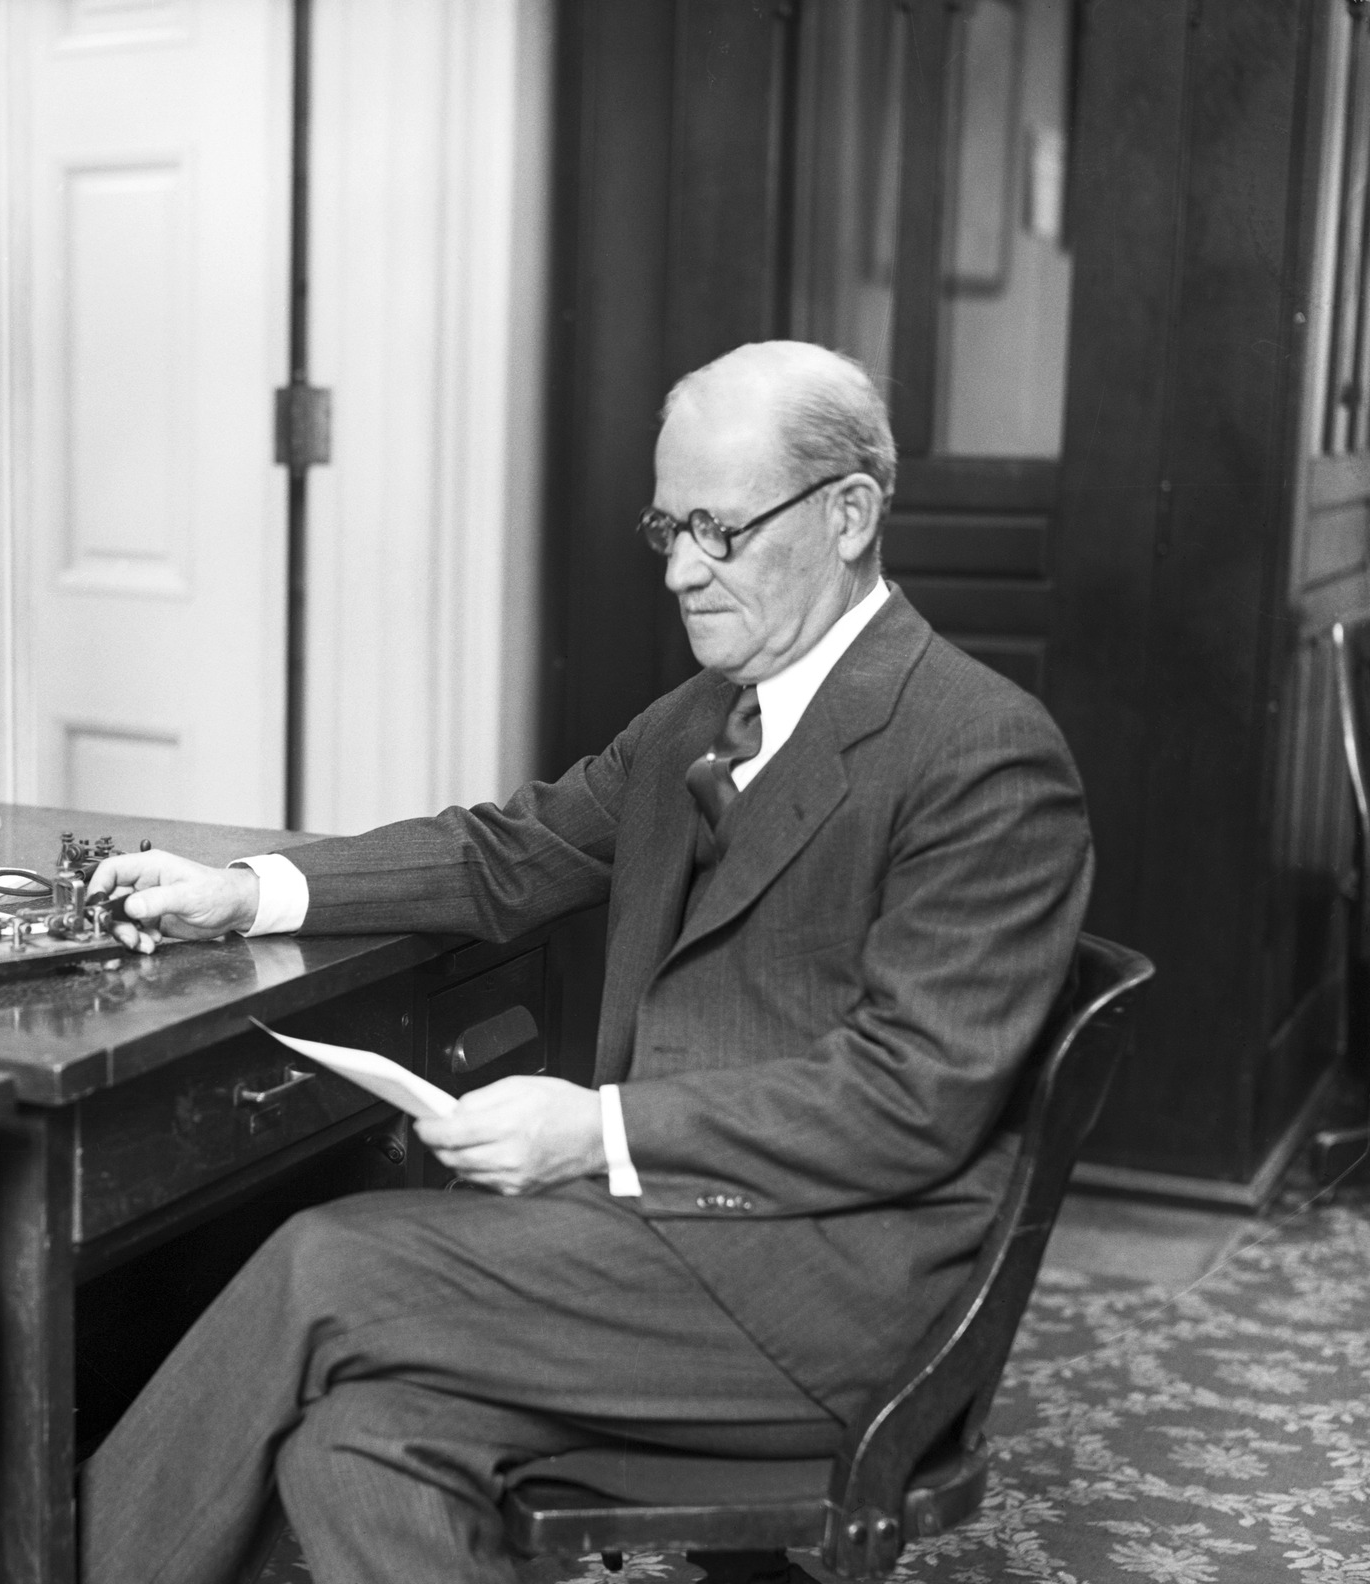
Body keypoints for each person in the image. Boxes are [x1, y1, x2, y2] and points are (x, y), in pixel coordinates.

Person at [77, 341, 1092, 1584]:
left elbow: (910, 1101)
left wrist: (596, 1131)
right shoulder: (696, 721)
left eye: (717, 529)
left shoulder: (979, 751)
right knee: (361, 1443)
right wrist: (242, 893)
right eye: (666, 526)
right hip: (667, 1250)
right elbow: (508, 855)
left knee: (322, 1264)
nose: (678, 569)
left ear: (847, 515)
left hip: (829, 1294)